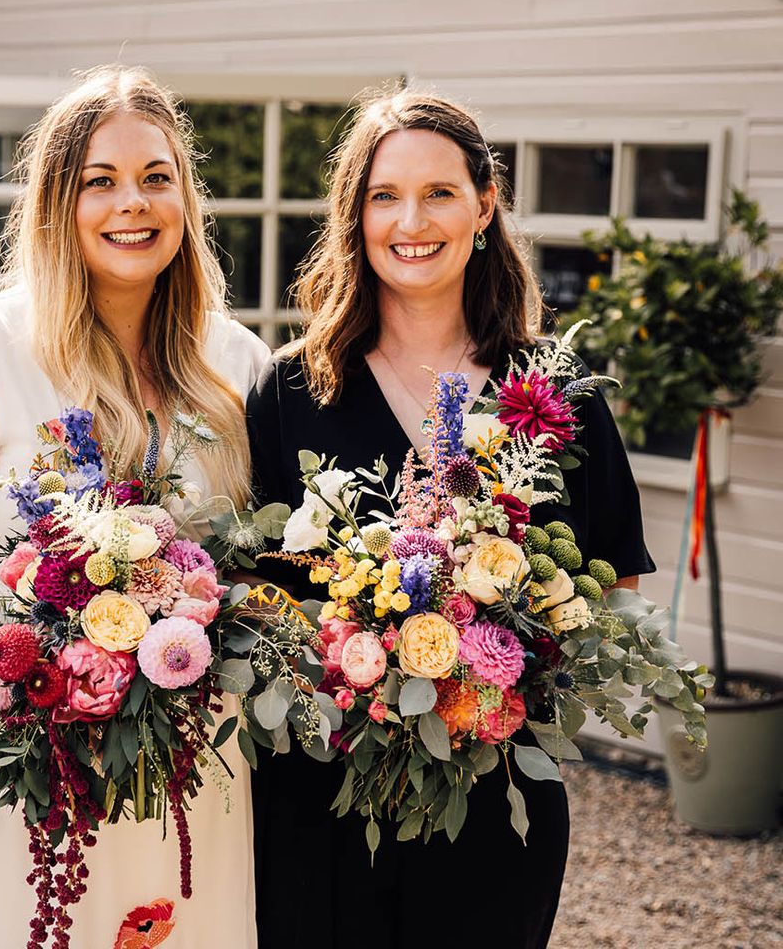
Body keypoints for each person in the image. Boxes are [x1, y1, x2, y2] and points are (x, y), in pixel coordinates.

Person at [0, 66, 268, 948]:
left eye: (158, 178)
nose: (135, 203)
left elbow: (261, 579)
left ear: (186, 199)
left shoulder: (238, 367)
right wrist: (58, 675)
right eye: (101, 181)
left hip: (191, 785)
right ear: (55, 202)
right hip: (20, 789)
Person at [246, 89, 655, 949]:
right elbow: (252, 593)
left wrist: (511, 663)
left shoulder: (555, 390)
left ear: (485, 202)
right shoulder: (290, 391)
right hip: (321, 800)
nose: (412, 221)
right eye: (384, 196)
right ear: (354, 216)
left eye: (439, 193)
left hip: (496, 796)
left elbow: (615, 574)